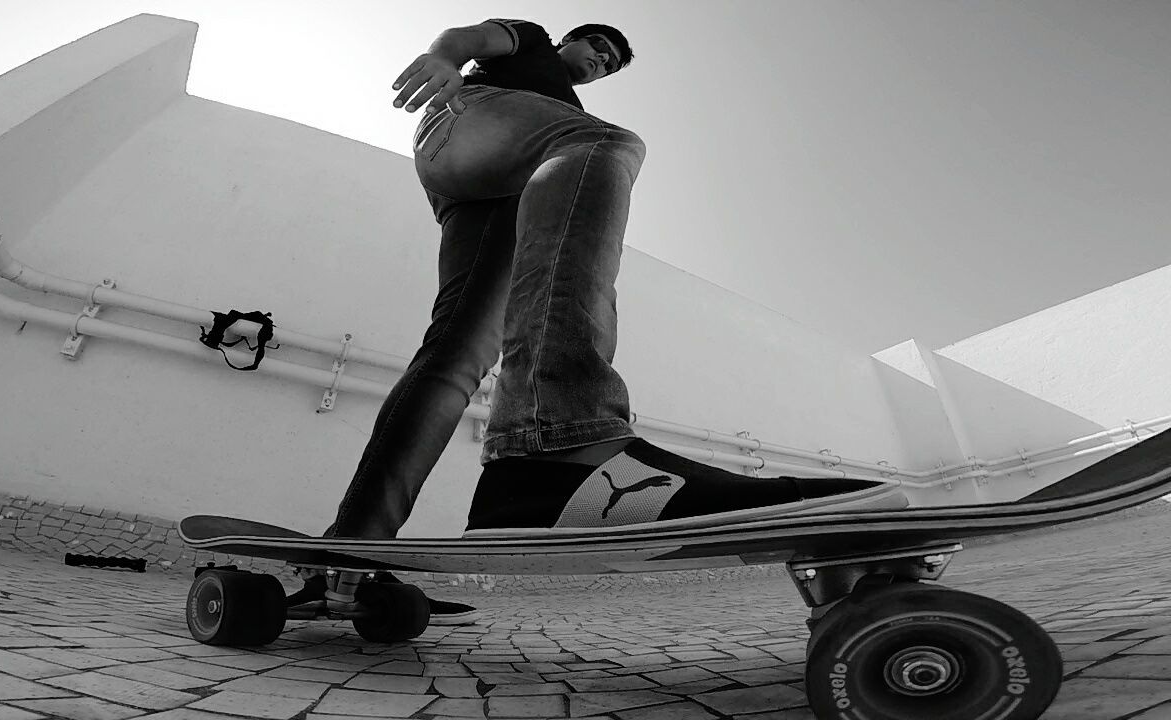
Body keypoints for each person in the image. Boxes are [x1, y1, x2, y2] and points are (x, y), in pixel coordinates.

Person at [320, 19, 906, 624]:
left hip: (500, 187)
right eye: (597, 48)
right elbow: (469, 38)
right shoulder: (533, 44)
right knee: (607, 145)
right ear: (568, 42)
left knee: (456, 354)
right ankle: (557, 445)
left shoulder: (561, 118)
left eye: (611, 64)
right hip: (468, 120)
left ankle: (348, 555)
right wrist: (442, 58)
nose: (600, 62)